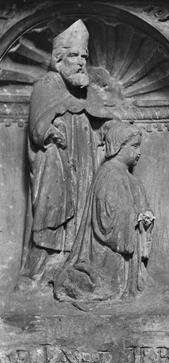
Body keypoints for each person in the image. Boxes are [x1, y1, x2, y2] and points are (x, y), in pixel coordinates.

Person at [20, 20, 119, 280]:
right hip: (58, 162)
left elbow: (103, 120)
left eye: (84, 56)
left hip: (85, 162)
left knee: (84, 211)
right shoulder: (46, 85)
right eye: (74, 55)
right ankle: (46, 267)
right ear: (58, 59)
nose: (80, 62)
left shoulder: (86, 91)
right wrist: (51, 131)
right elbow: (37, 129)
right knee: (54, 211)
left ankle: (75, 261)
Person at [54, 121, 154, 303]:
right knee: (102, 286)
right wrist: (134, 217)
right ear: (118, 146)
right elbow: (106, 217)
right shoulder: (109, 174)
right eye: (135, 146)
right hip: (106, 253)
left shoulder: (129, 178)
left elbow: (138, 206)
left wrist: (146, 218)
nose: (139, 152)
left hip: (123, 252)